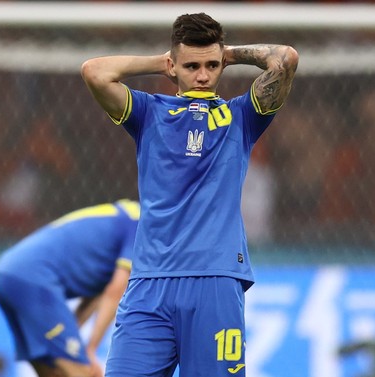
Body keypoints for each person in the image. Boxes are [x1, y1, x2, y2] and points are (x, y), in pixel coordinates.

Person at [81, 12, 298, 377]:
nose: (202, 75)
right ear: (174, 66)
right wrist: (161, 62)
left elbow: (286, 58)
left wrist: (231, 54)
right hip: (149, 283)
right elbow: (94, 71)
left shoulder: (241, 117)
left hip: (215, 281)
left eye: (212, 65)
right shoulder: (149, 112)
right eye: (191, 65)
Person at [0, 199, 140, 377]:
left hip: (6, 272)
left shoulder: (122, 215)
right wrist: (91, 348)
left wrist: (74, 337)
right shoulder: (140, 222)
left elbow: (97, 294)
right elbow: (116, 291)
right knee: (85, 373)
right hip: (33, 278)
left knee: (52, 372)